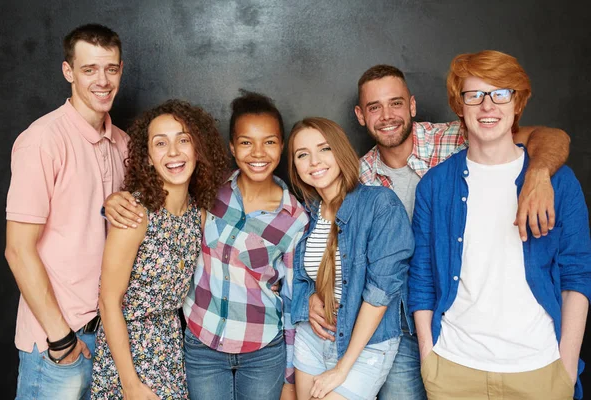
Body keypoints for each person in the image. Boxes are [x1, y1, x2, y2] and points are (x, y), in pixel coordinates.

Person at [309, 63, 572, 400]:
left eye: (396, 103)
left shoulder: (459, 136)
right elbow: (325, 240)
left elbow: (551, 137)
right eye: (375, 107)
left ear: (413, 105)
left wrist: (539, 173)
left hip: (462, 320)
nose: (387, 115)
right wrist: (312, 295)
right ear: (360, 115)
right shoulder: (357, 177)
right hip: (394, 320)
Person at [408, 50, 591, 400]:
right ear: (459, 106)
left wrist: (565, 367)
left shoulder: (559, 183)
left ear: (517, 103)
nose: (487, 106)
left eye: (500, 93)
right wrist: (429, 360)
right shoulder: (434, 185)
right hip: (453, 371)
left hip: (540, 371)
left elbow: (577, 276)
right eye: (474, 95)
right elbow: (422, 278)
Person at [103, 91, 309, 400]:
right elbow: (109, 294)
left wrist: (290, 379)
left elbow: (293, 300)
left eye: (269, 142)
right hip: (199, 344)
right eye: (246, 142)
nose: (258, 153)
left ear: (282, 146)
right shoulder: (212, 195)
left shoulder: (292, 217)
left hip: (257, 348)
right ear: (231, 147)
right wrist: (110, 203)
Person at [4, 24, 128, 399]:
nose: (102, 80)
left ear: (122, 69)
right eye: (89, 69)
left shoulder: (122, 142)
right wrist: (61, 340)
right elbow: (18, 249)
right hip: (58, 345)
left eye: (111, 68)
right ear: (68, 71)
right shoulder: (43, 140)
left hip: (108, 336)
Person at [91, 100, 228, 399]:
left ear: (197, 149)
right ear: (149, 158)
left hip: (171, 348)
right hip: (129, 353)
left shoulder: (197, 214)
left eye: (183, 140)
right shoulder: (135, 214)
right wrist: (130, 384)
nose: (174, 152)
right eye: (161, 143)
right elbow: (108, 302)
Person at [289, 117, 414, 400]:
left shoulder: (380, 204)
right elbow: (303, 276)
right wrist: (309, 296)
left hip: (364, 346)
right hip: (313, 338)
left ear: (341, 151)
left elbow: (381, 293)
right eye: (302, 154)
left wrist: (343, 367)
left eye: (324, 149)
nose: (314, 161)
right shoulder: (308, 212)